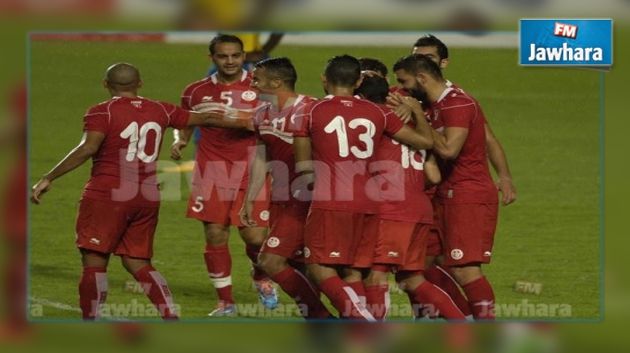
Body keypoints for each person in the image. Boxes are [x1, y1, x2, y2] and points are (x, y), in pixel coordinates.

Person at [30, 63, 249, 320]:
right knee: (138, 262)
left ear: (105, 84)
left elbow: (88, 148)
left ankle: (90, 320)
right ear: (140, 84)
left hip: (107, 194)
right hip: (146, 196)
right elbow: (206, 117)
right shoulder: (160, 109)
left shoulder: (102, 112)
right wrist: (251, 120)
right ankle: (170, 315)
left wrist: (48, 177)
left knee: (94, 261)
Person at [292, 55, 434, 320]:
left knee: (318, 268)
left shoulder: (309, 111)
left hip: (331, 200)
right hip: (370, 204)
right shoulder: (378, 112)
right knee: (354, 270)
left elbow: (303, 168)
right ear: (358, 81)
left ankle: (364, 322)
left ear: (324, 79)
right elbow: (425, 141)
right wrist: (416, 112)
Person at [171, 34, 277, 316]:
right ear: (212, 58)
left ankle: (260, 276)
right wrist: (180, 140)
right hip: (212, 170)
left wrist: (232, 118)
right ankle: (225, 302)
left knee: (255, 237)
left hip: (252, 169)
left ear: (244, 56)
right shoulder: (195, 91)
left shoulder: (262, 87)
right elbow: (184, 119)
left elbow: (272, 124)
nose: (229, 61)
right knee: (215, 233)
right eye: (223, 56)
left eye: (235, 56)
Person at [393, 54, 500, 320]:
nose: (403, 89)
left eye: (404, 82)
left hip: (468, 193)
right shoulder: (436, 104)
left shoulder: (456, 104)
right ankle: (462, 322)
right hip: (446, 193)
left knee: (465, 270)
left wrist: (418, 116)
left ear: (422, 78)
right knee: (430, 263)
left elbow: (449, 150)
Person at [353, 74, 466, 321]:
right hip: (418, 208)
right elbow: (434, 176)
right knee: (412, 278)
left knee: (375, 274)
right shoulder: (413, 122)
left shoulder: (373, 122)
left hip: (391, 209)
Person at [239, 57, 332, 320]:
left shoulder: (311, 109)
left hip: (307, 201)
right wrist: (251, 198)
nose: (252, 83)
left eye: (257, 79)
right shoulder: (260, 114)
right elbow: (262, 157)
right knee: (299, 265)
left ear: (276, 82)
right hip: (280, 199)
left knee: (271, 261)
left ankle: (323, 318)